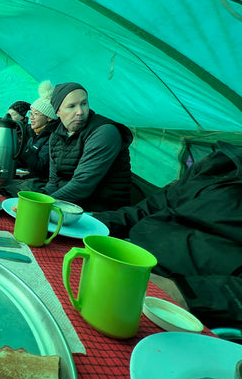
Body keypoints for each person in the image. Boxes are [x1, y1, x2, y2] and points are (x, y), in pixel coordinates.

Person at [93, 141, 242, 329]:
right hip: (135, 256)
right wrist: (94, 224)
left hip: (177, 295)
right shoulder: (221, 162)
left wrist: (185, 292)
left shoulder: (105, 133)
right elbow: (153, 206)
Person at [43, 82, 133, 211]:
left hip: (102, 210)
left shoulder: (105, 132)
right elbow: (53, 181)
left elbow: (82, 185)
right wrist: (40, 198)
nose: (80, 111)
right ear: (58, 111)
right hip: (70, 204)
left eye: (84, 104)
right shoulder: (56, 135)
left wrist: (43, 204)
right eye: (71, 106)